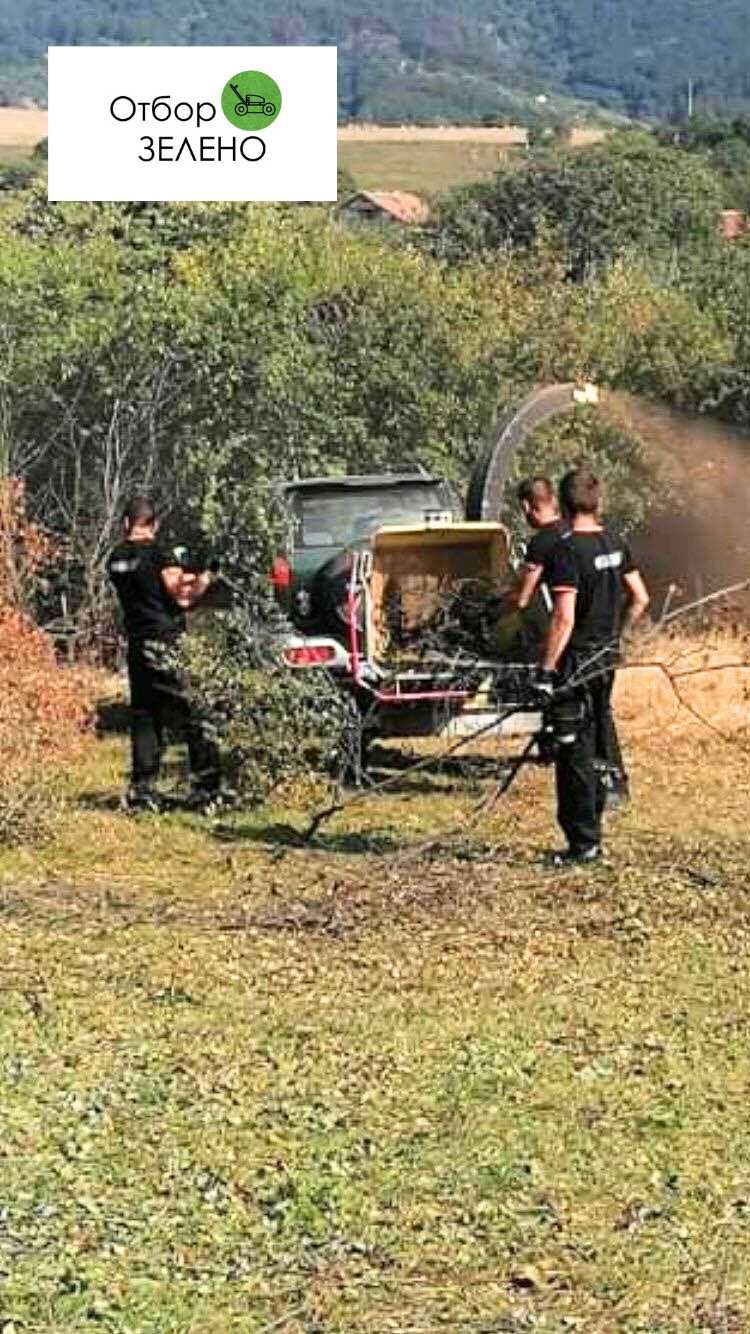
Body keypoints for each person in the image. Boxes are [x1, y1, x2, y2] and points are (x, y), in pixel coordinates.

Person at [538, 466, 650, 866]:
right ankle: (597, 821)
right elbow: (640, 598)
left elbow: (563, 618)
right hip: (604, 659)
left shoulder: (568, 550)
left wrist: (546, 670)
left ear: (564, 505)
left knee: (573, 750)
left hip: (576, 661)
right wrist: (616, 635)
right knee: (599, 736)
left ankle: (583, 843)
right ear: (596, 501)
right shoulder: (615, 541)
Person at [107, 495, 221, 812]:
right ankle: (206, 787)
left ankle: (142, 788)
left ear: (125, 524)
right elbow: (183, 597)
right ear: (153, 524)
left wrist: (185, 572)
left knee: (145, 714)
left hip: (138, 644)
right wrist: (208, 576)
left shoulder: (116, 558)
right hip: (167, 643)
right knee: (195, 710)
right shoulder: (158, 553)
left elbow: (156, 583)